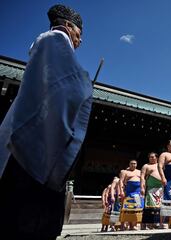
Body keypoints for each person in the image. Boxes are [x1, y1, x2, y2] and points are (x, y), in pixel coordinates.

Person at [0, 4, 92, 239]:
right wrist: (86, 85)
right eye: (79, 35)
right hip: (34, 146)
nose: (79, 41)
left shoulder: (48, 44)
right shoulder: (55, 40)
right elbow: (72, 87)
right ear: (68, 27)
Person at [140, 152, 163, 230]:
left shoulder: (160, 165)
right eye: (150, 157)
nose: (152, 158)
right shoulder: (146, 166)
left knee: (159, 208)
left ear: (157, 157)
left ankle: (157, 223)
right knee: (149, 208)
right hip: (151, 189)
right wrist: (142, 188)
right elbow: (142, 177)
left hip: (160, 189)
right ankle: (145, 224)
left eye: (153, 157)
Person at [119, 160, 144, 230]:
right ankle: (123, 225)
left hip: (138, 192)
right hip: (129, 192)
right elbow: (121, 181)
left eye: (135, 163)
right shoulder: (125, 172)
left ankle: (134, 225)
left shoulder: (139, 172)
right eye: (132, 164)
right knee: (127, 209)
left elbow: (142, 180)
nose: (133, 165)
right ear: (129, 164)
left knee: (138, 208)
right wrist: (121, 191)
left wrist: (143, 189)